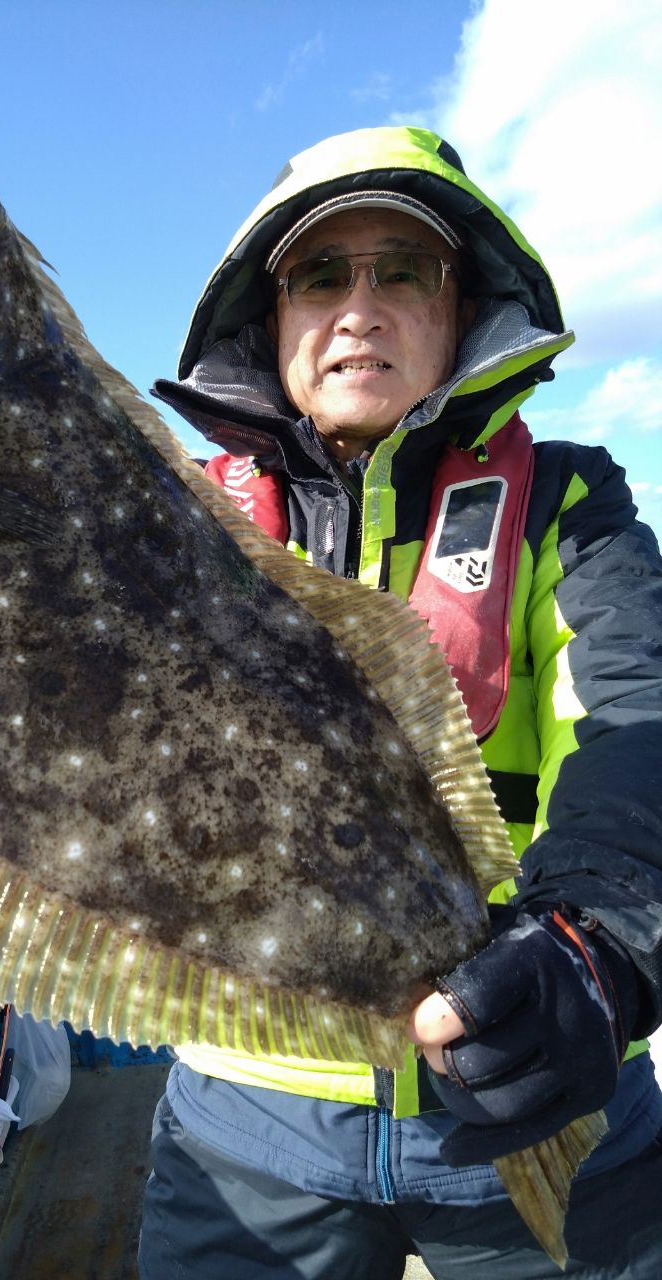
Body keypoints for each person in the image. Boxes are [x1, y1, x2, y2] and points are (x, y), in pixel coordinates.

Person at [137, 126, 662, 1278]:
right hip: (248, 1110)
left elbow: (636, 723)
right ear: (271, 320)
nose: (359, 310)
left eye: (404, 271)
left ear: (461, 306)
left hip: (529, 1071)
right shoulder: (174, 524)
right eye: (320, 275)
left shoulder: (568, 502)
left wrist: (597, 941)